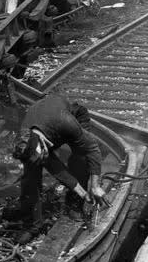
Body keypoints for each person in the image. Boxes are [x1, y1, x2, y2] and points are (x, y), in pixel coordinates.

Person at [9, 95, 108, 244]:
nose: (43, 160)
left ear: (43, 143)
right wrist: (82, 192)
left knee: (81, 158)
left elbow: (92, 149)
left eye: (42, 156)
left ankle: (75, 203)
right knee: (30, 178)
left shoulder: (67, 122)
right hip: (47, 123)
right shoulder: (26, 138)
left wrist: (95, 186)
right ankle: (34, 225)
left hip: (72, 117)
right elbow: (55, 167)